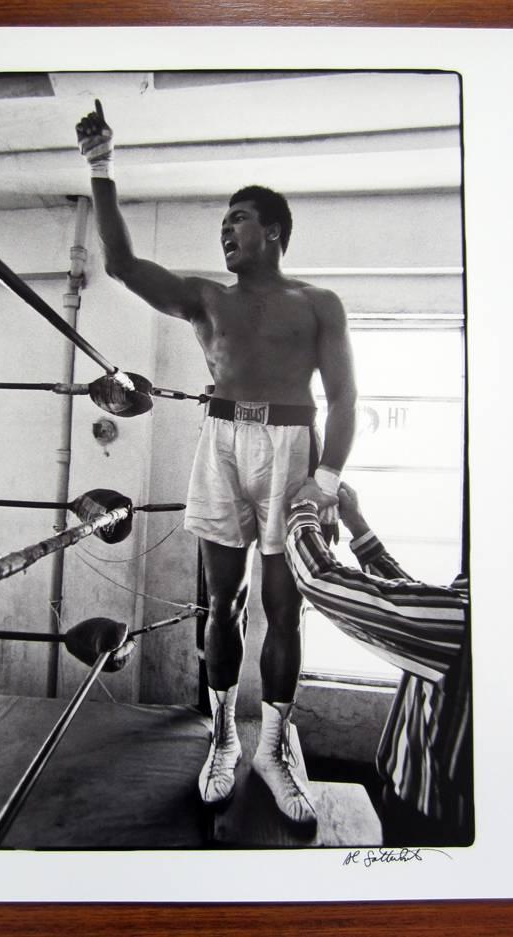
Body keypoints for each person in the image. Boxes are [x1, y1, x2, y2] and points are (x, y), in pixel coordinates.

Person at [76, 101, 357, 826]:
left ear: (273, 231)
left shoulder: (318, 302)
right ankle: (226, 735)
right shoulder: (207, 300)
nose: (225, 230)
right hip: (222, 443)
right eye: (223, 221)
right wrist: (101, 164)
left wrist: (325, 479)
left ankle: (273, 745)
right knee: (221, 602)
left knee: (284, 606)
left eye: (237, 218)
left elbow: (346, 392)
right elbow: (124, 264)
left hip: (294, 447)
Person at [284, 480, 473, 845]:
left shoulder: (465, 620)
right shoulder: (477, 611)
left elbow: (322, 582)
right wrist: (358, 526)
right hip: (428, 810)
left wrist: (300, 510)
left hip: (432, 821)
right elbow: (409, 605)